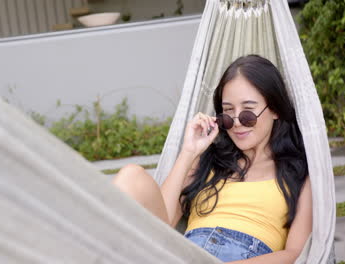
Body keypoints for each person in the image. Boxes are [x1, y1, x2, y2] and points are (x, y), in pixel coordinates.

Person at [111, 55, 312, 263]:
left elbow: (294, 254)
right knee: (131, 175)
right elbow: (164, 224)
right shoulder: (208, 161)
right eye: (227, 113)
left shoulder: (298, 172)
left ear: (275, 110)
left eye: (248, 113)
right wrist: (189, 152)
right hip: (184, 255)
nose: (236, 123)